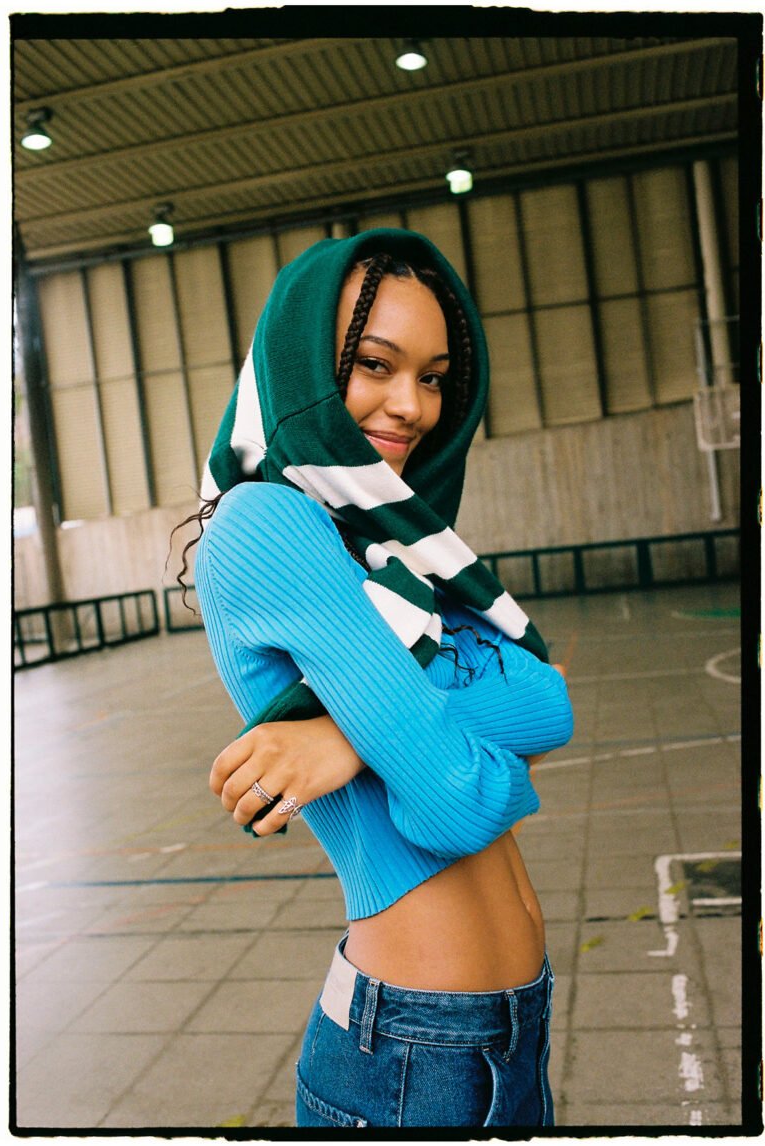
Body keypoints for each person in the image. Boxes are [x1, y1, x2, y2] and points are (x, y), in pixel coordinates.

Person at [180, 229, 574, 1128]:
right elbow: (455, 803)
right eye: (374, 364)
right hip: (409, 1055)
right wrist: (434, 740)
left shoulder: (401, 543)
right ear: (303, 364)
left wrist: (342, 736)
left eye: (432, 376)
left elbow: (549, 702)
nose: (411, 405)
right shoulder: (264, 523)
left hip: (506, 1030)